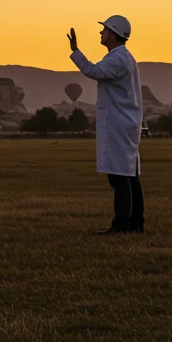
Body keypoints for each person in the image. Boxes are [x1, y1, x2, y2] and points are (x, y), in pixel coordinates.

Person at [68, 16, 144, 234]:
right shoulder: (125, 57)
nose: (101, 34)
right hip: (126, 122)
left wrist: (75, 51)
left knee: (119, 175)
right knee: (130, 175)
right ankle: (136, 223)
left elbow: (94, 71)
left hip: (118, 124)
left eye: (105, 30)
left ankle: (121, 224)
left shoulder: (117, 59)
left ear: (114, 33)